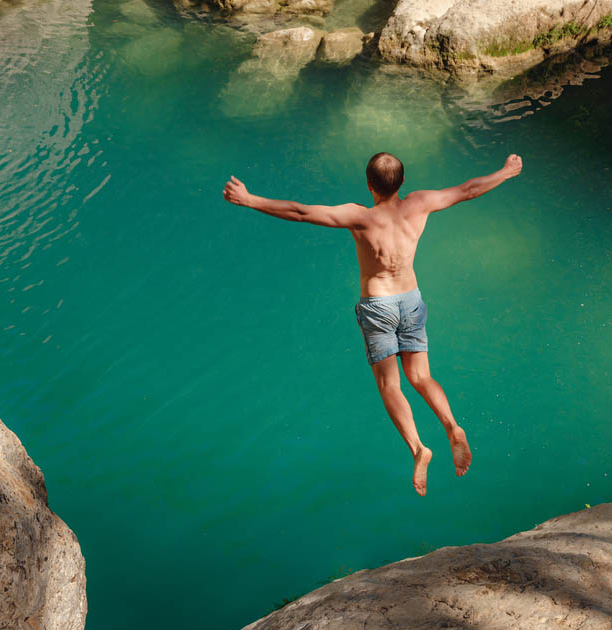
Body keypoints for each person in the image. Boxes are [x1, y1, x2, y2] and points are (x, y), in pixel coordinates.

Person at [223, 152, 523, 496]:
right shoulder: (419, 204)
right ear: (402, 182)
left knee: (390, 385)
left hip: (378, 305)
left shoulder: (360, 217)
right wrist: (505, 172)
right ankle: (452, 426)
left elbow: (300, 212)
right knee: (421, 377)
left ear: (369, 185)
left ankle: (418, 448)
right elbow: (468, 189)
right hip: (410, 298)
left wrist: (249, 199)